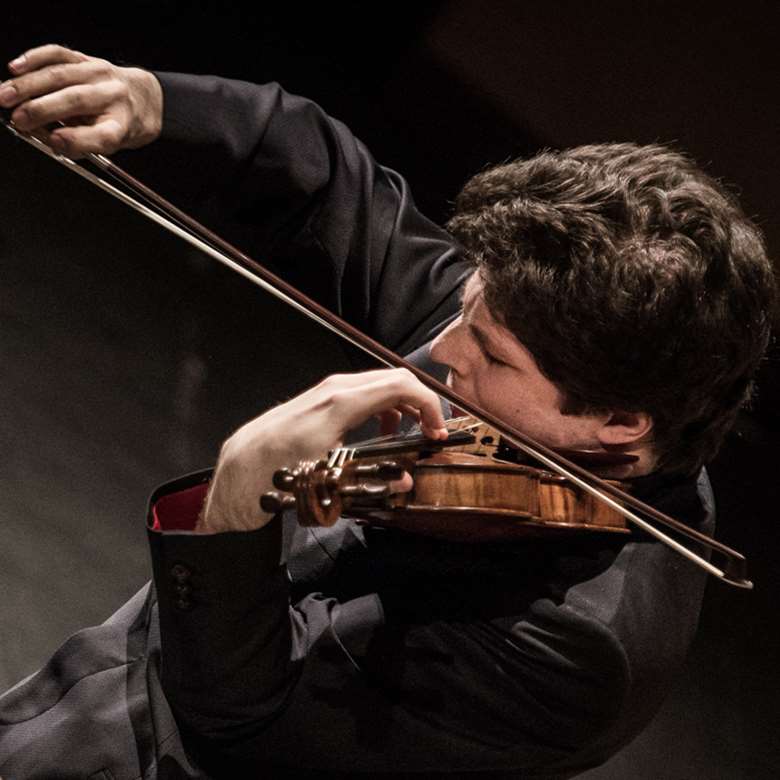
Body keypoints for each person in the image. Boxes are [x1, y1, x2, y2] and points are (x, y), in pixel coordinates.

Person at [0, 45, 775, 778]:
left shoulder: (576, 652)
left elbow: (238, 709)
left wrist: (237, 499)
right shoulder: (518, 330)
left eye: (493, 355)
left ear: (617, 423)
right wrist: (156, 102)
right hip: (80, 698)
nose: (441, 351)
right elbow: (323, 178)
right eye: (467, 308)